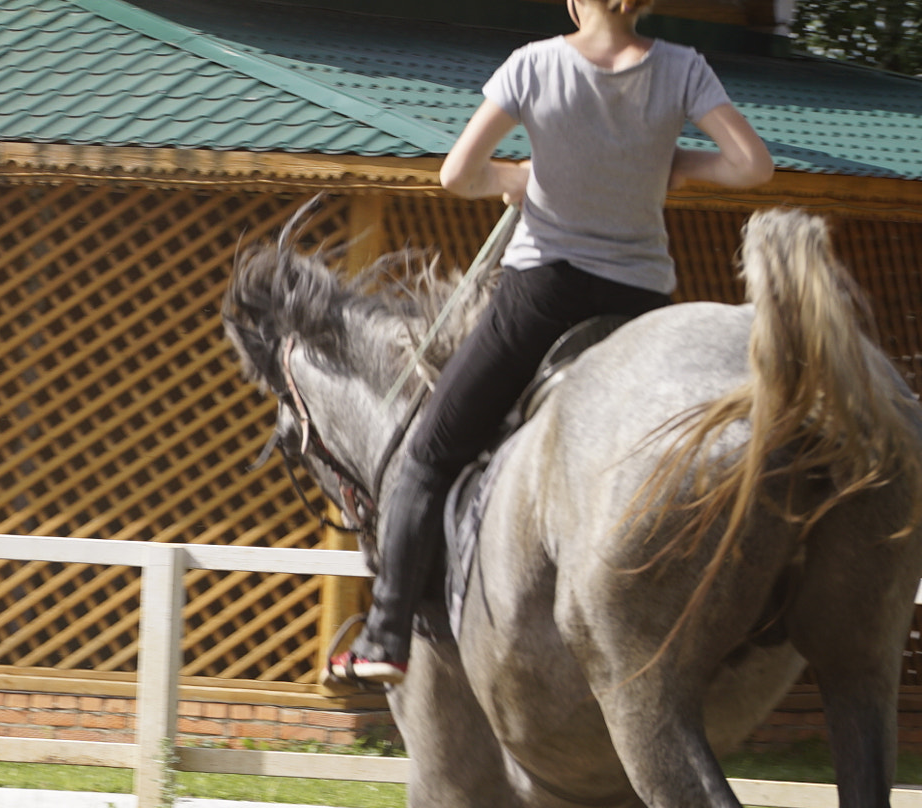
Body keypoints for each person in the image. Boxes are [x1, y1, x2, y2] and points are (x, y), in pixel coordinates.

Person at [329, 0, 774, 686]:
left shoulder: (534, 65)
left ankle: (387, 636)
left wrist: (521, 178)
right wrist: (673, 165)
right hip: (640, 304)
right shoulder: (684, 68)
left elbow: (456, 176)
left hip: (542, 296)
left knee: (428, 452)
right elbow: (753, 167)